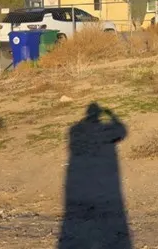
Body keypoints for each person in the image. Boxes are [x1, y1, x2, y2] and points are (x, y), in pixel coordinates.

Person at [58, 103, 131, 249]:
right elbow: (122, 132)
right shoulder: (105, 129)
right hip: (103, 180)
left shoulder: (75, 130)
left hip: (81, 177)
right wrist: (113, 117)